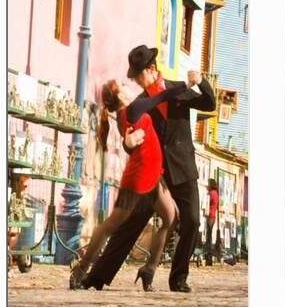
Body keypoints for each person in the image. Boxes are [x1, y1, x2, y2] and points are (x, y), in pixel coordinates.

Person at [83, 45, 216, 292]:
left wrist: (201, 81)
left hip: (183, 167)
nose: (135, 81)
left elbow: (209, 104)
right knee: (131, 224)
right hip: (155, 173)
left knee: (192, 221)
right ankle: (95, 277)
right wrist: (127, 144)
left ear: (151, 69)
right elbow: (130, 135)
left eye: (137, 75)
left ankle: (178, 278)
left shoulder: (179, 89)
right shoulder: (142, 102)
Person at [69, 76, 192, 291]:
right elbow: (162, 96)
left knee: (170, 218)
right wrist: (186, 86)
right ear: (119, 95)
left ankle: (149, 269)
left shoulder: (123, 115)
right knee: (111, 225)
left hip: (152, 176)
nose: (128, 87)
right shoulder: (133, 109)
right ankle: (80, 269)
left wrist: (129, 142)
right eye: (124, 86)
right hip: (139, 178)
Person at [204, 178, 219, 266]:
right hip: (213, 216)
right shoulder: (216, 193)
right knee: (209, 237)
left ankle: (208, 258)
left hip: (209, 216)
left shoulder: (210, 193)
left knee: (208, 238)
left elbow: (206, 203)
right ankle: (209, 258)